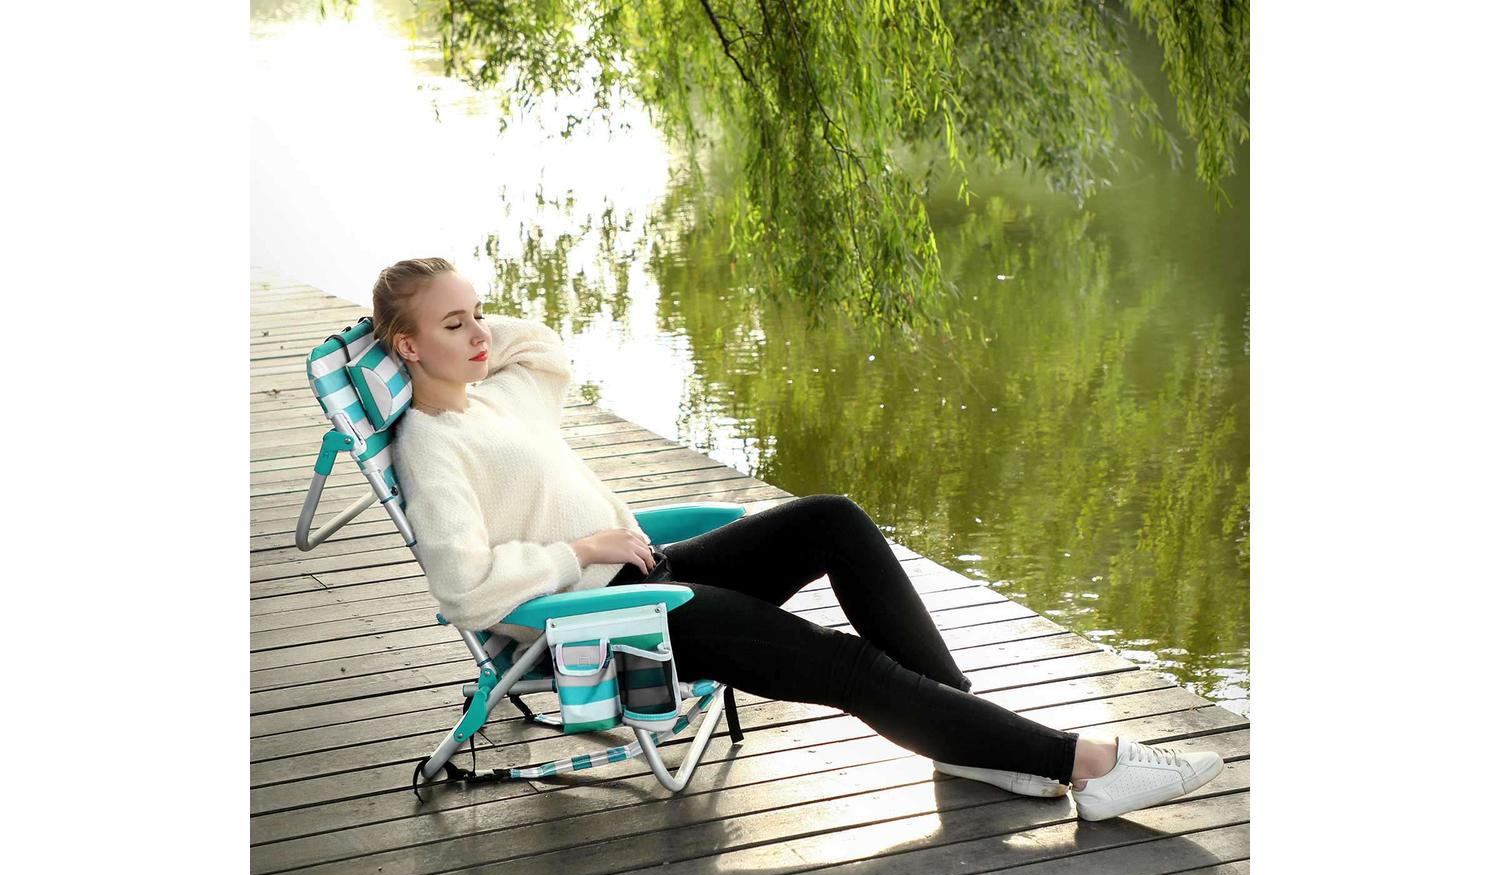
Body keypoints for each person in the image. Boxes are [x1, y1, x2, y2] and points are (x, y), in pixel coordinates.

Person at [376, 257, 1223, 821]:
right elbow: (464, 587)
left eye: (479, 315)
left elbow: (544, 350)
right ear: (408, 345)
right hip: (607, 619)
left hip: (648, 573)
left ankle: (968, 735)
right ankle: (1090, 765)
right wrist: (583, 552)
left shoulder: (497, 394)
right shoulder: (431, 445)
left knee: (832, 519)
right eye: (455, 326)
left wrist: (458, 323)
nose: (482, 336)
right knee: (845, 663)